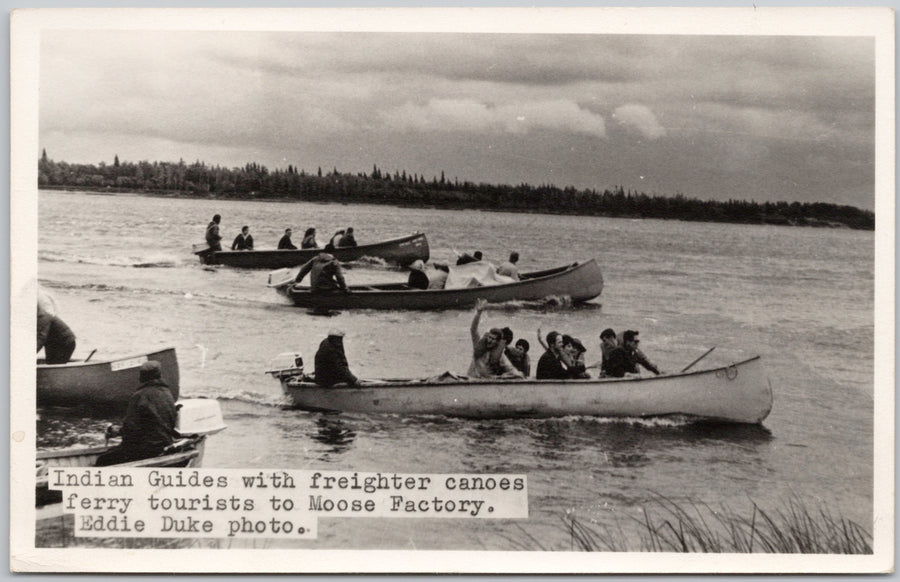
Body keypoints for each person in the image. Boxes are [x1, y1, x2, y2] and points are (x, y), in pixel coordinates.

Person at [95, 361, 179, 466]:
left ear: (142, 377)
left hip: (146, 450)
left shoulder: (139, 396)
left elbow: (131, 428)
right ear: (159, 375)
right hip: (164, 444)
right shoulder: (167, 393)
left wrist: (116, 431)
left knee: (103, 460)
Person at [468, 299, 522, 379]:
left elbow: (512, 369)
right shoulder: (479, 344)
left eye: (493, 339)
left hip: (486, 382)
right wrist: (478, 313)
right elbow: (473, 329)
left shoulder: (500, 355)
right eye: (489, 337)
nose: (490, 340)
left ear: (497, 342)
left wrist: (515, 375)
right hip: (471, 379)